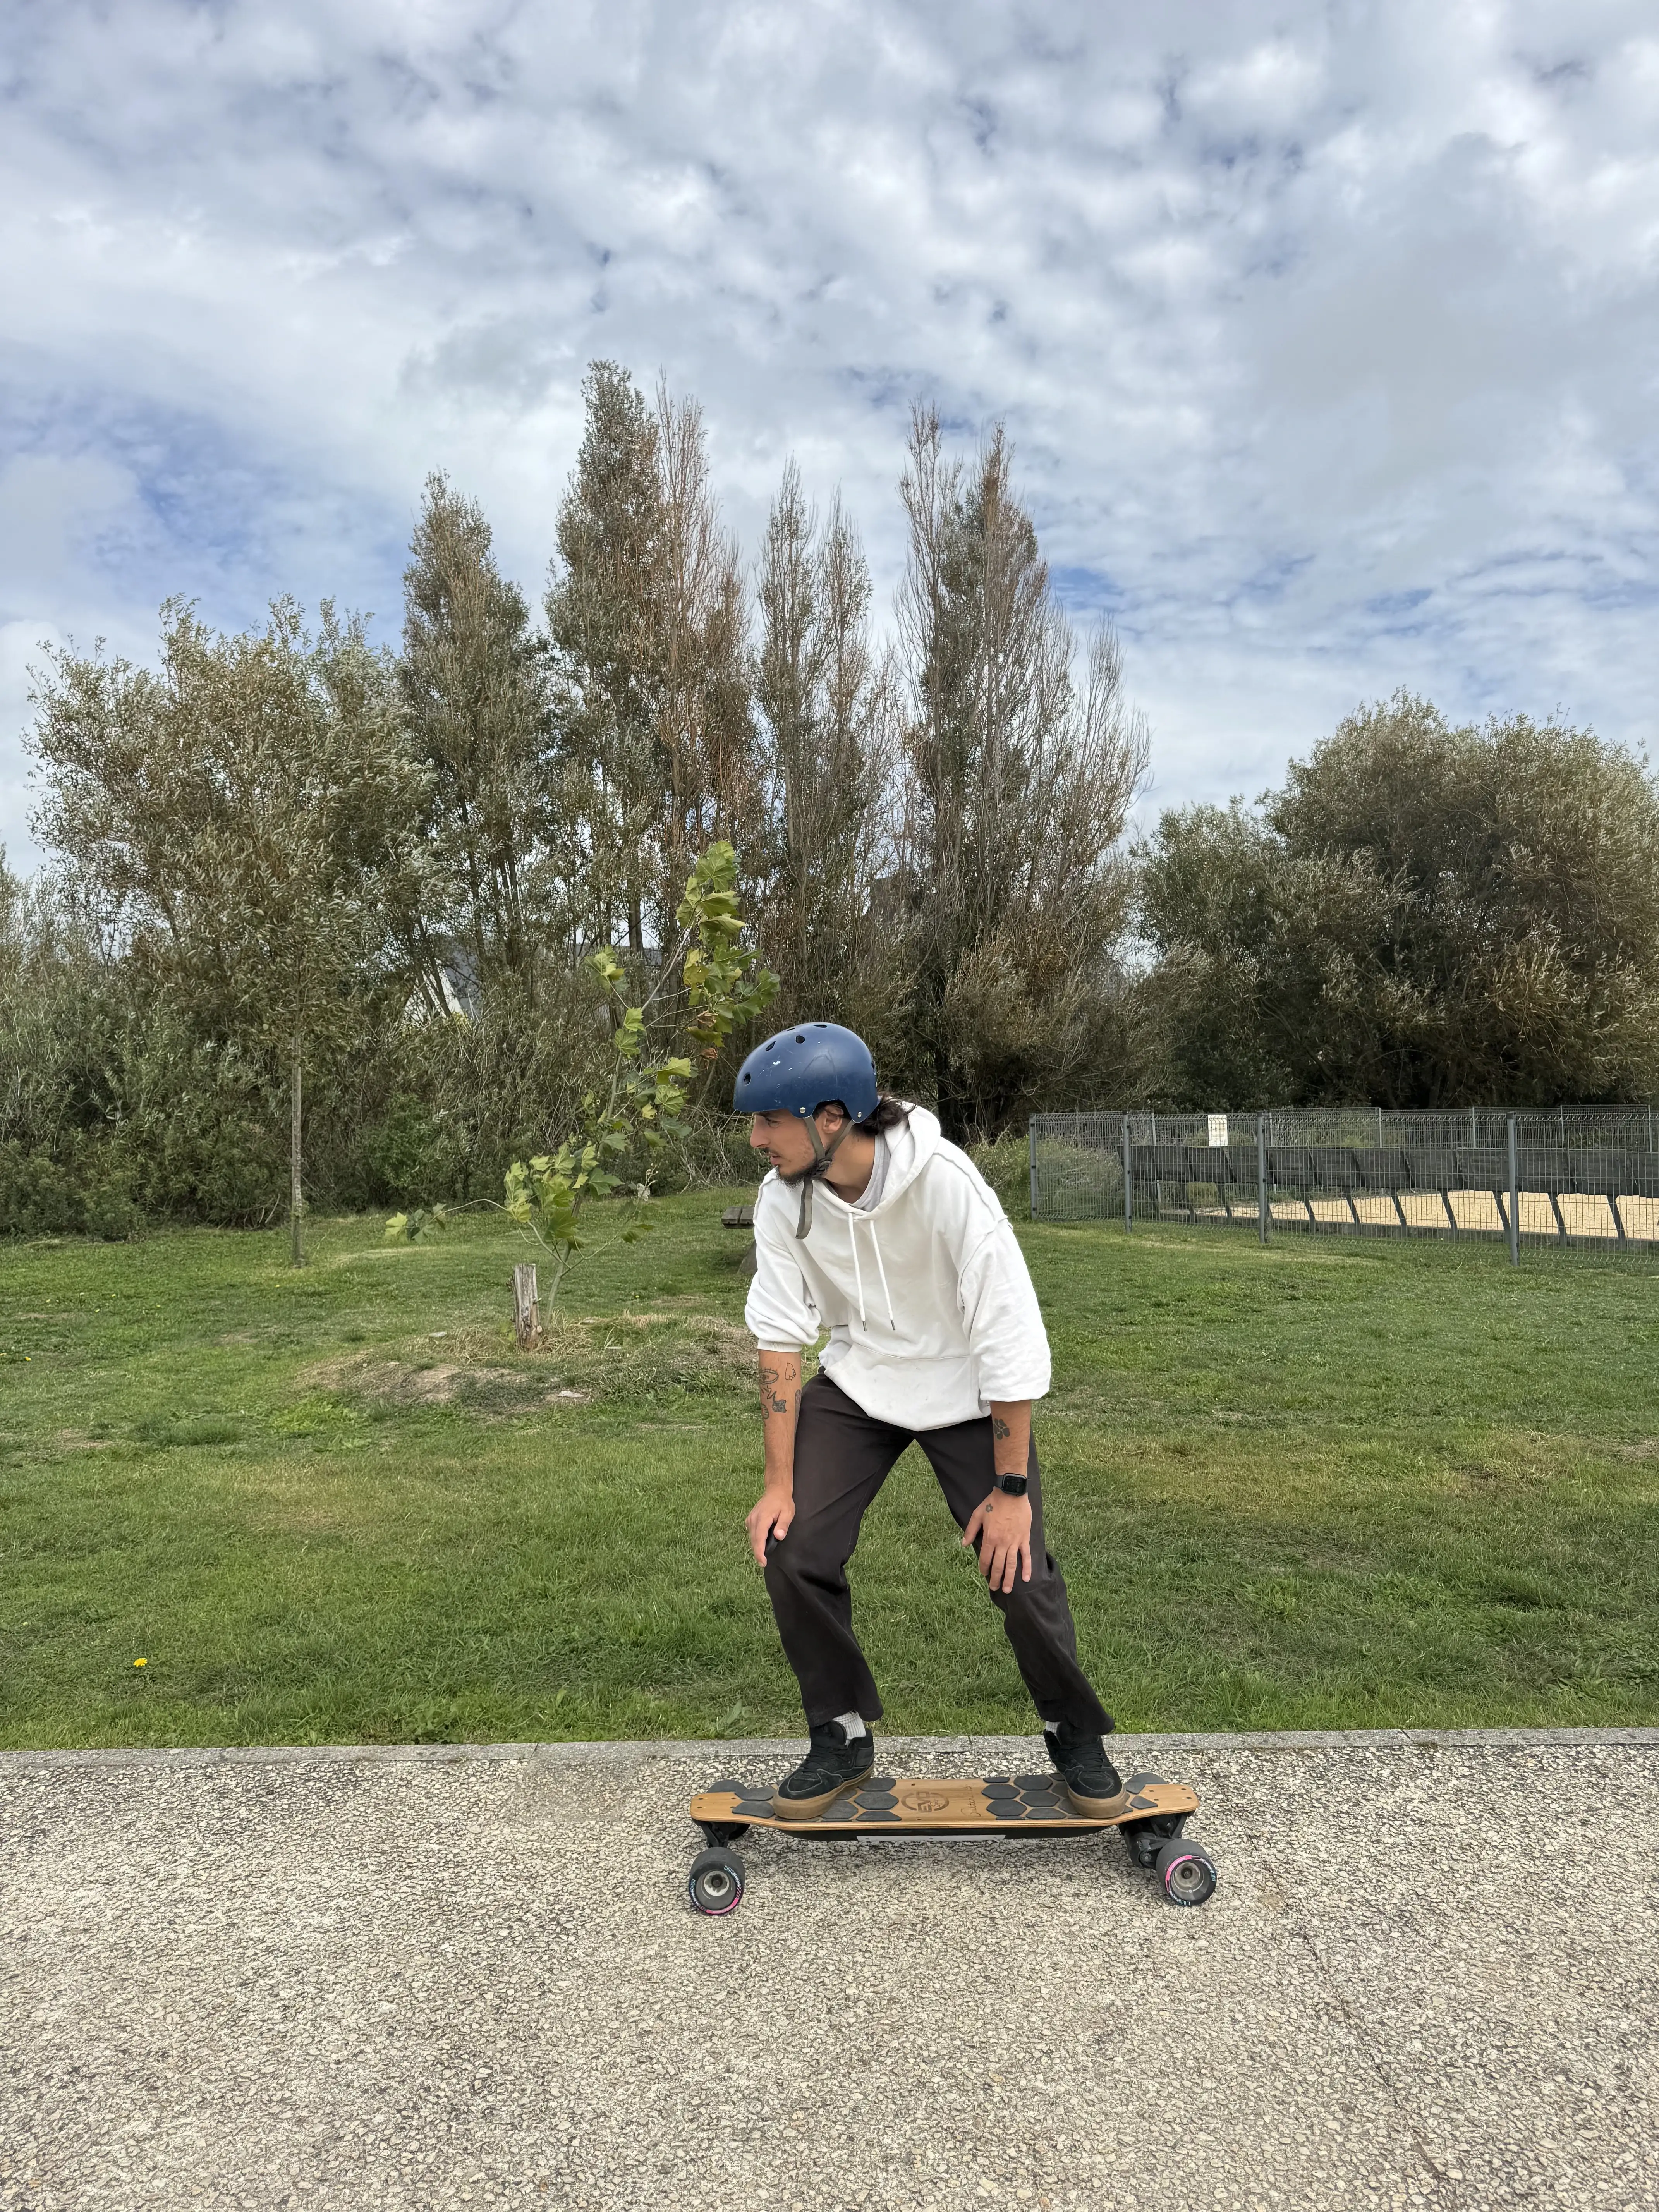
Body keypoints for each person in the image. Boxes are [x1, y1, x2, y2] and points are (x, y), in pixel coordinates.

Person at [735, 1020, 1123, 1820]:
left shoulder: (947, 1184)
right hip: (862, 1380)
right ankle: (838, 1735)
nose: (755, 1139)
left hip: (969, 1388)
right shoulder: (784, 1201)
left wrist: (1011, 1490)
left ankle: (1071, 1729)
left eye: (770, 1120)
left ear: (831, 1119)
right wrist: (778, 1485)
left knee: (1017, 1568)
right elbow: (779, 1342)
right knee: (792, 1543)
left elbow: (1010, 1339)